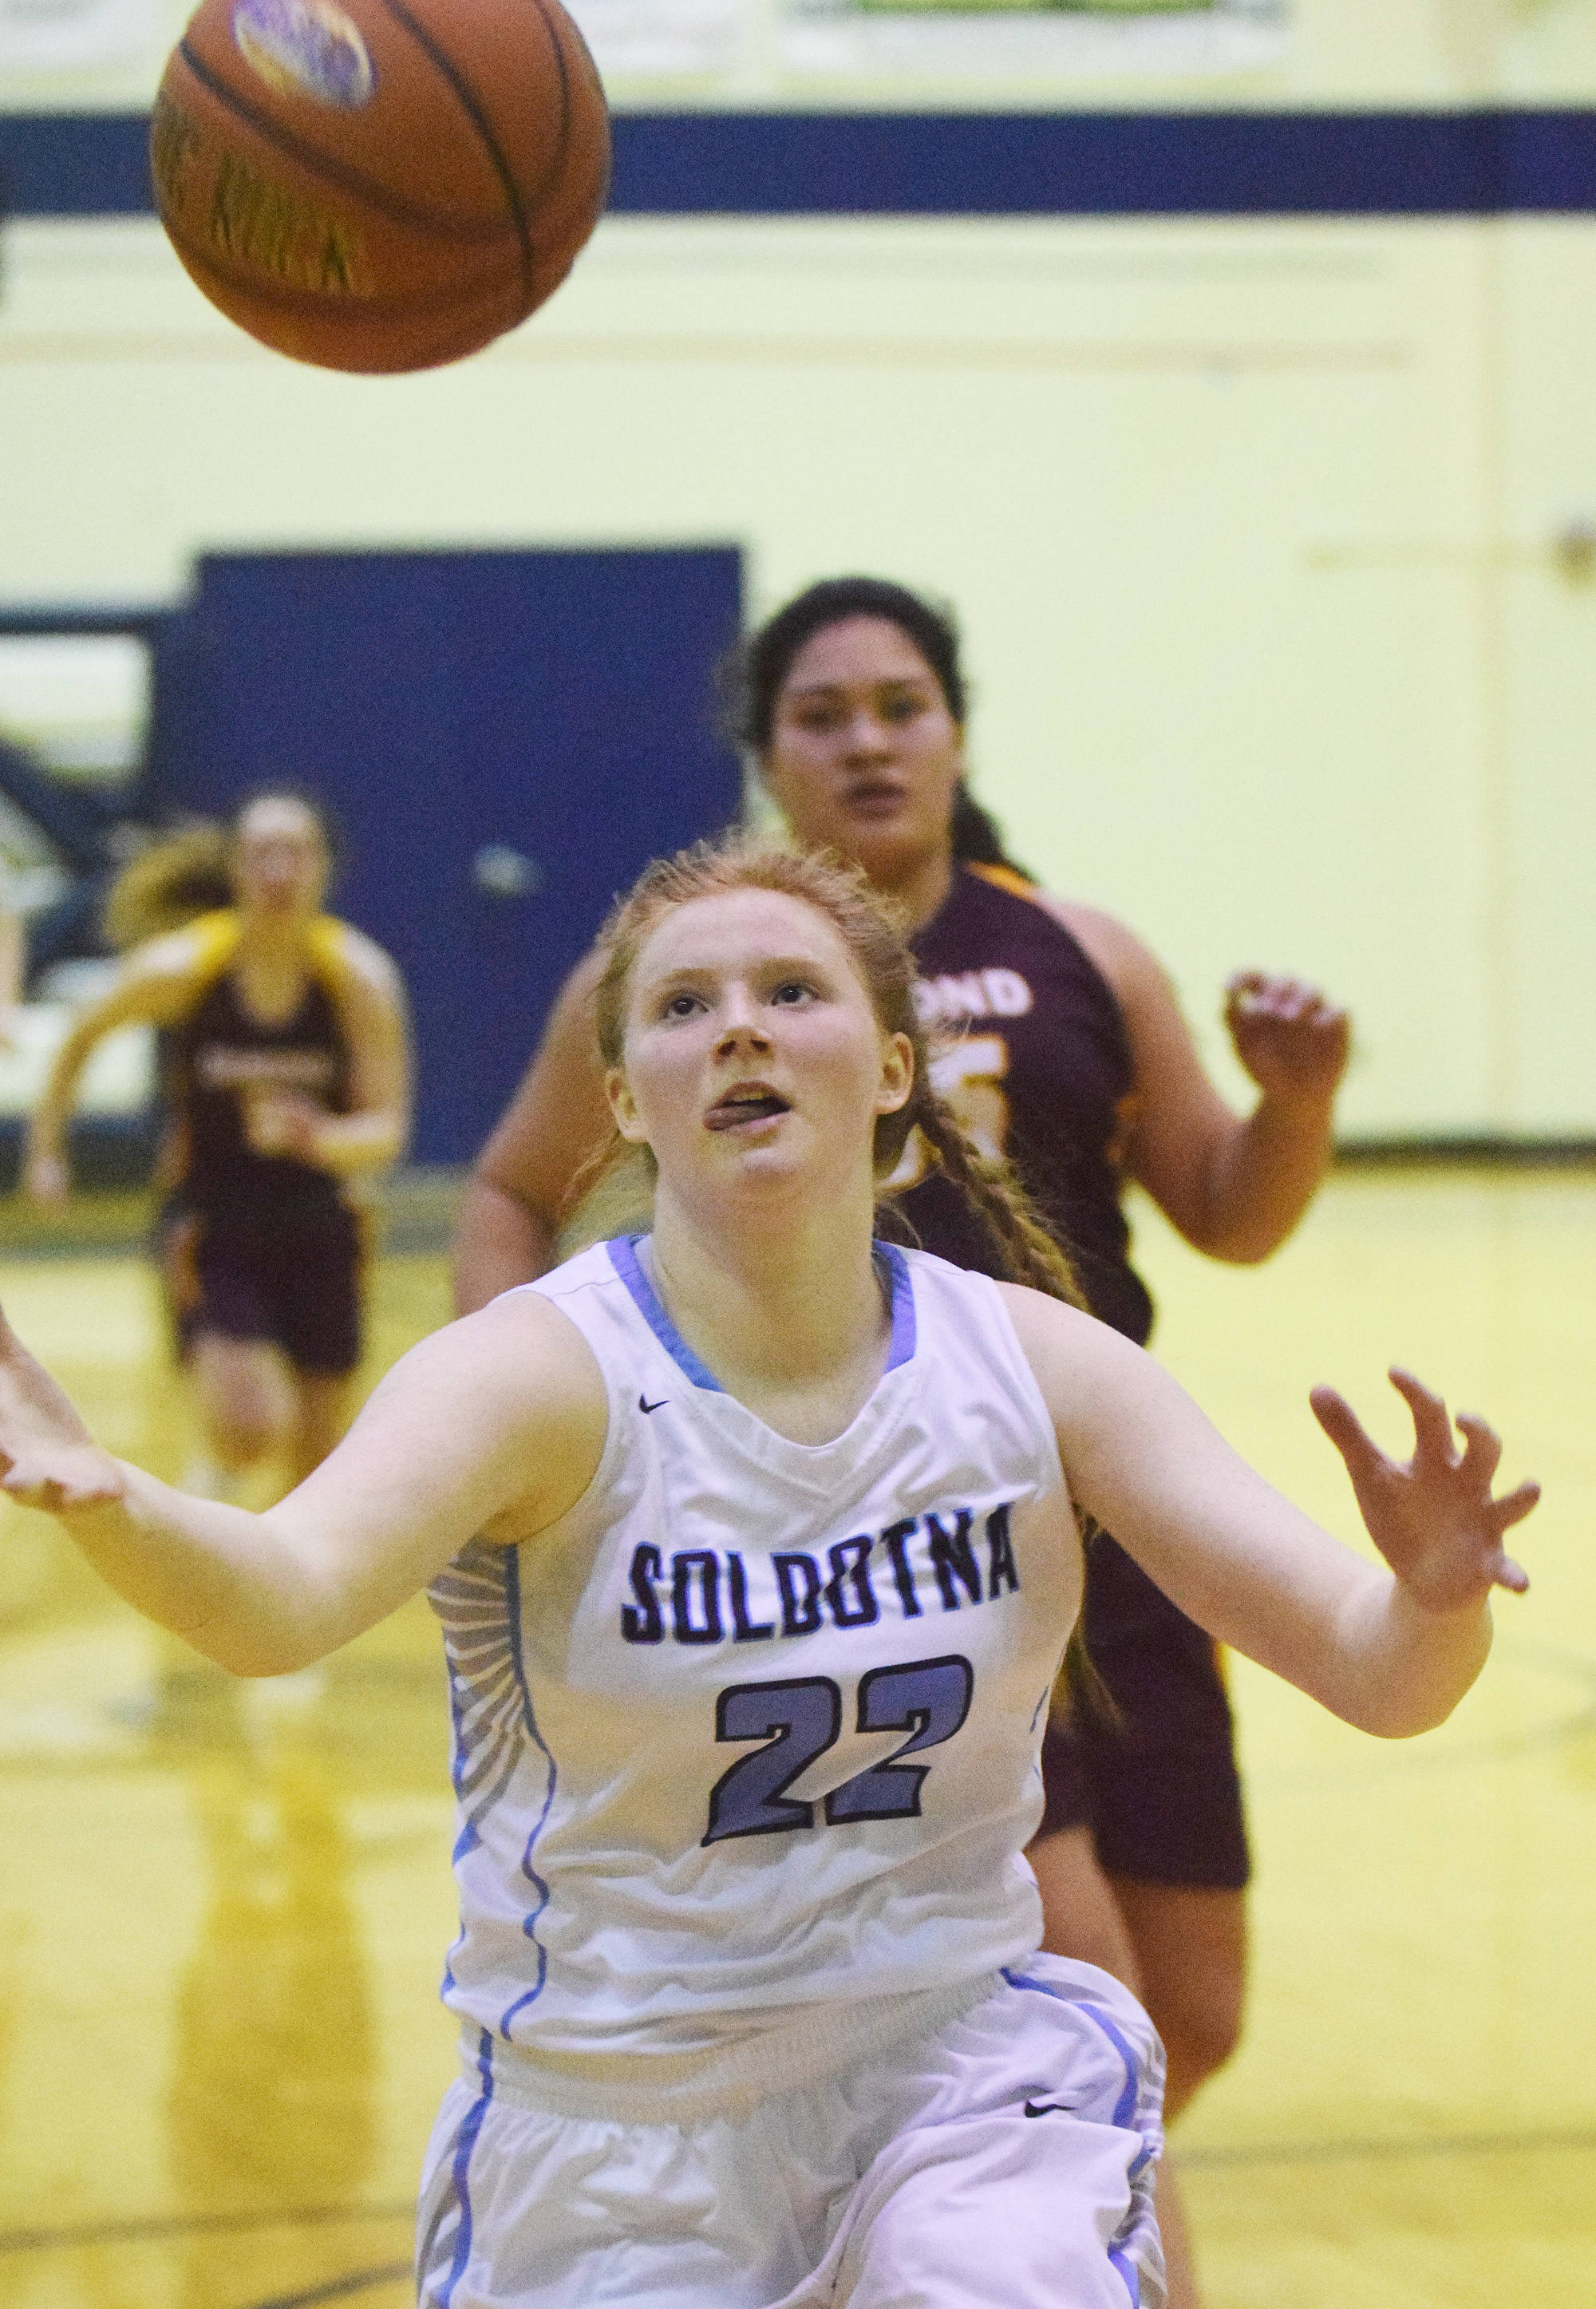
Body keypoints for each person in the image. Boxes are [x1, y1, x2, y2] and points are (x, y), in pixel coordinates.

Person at [0, 837, 1535, 2309]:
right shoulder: (537, 1376)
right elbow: (283, 1595)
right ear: (625, 1098)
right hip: (619, 2115)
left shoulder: (1033, 1366)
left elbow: (1377, 1672)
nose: (738, 1026)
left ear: (888, 1068)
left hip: (950, 2066)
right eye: (683, 1005)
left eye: (792, 992)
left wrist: (1433, 1599)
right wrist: (114, 1503)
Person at [450, 579, 1351, 2302]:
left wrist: (1296, 1106)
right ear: (765, 751)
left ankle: (892, 2220)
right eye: (821, 713)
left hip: (1117, 1520)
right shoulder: (695, 975)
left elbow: (1231, 1212)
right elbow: (506, 1185)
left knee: (1193, 2006)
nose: (866, 740)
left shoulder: (1081, 949)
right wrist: (491, 1416)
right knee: (1080, 2009)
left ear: (954, 730)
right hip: (904, 1550)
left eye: (900, 705)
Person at [23, 791, 411, 1494]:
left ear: (324, 868)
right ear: (235, 867)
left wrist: (316, 1137)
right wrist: (46, 1150)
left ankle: (292, 1593)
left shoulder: (357, 978)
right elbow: (82, 1031)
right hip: (215, 1222)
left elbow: (385, 1131)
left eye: (296, 851)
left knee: (320, 1466)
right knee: (250, 1422)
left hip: (321, 1223)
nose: (279, 869)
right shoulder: (187, 967)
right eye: (262, 851)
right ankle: (213, 1497)